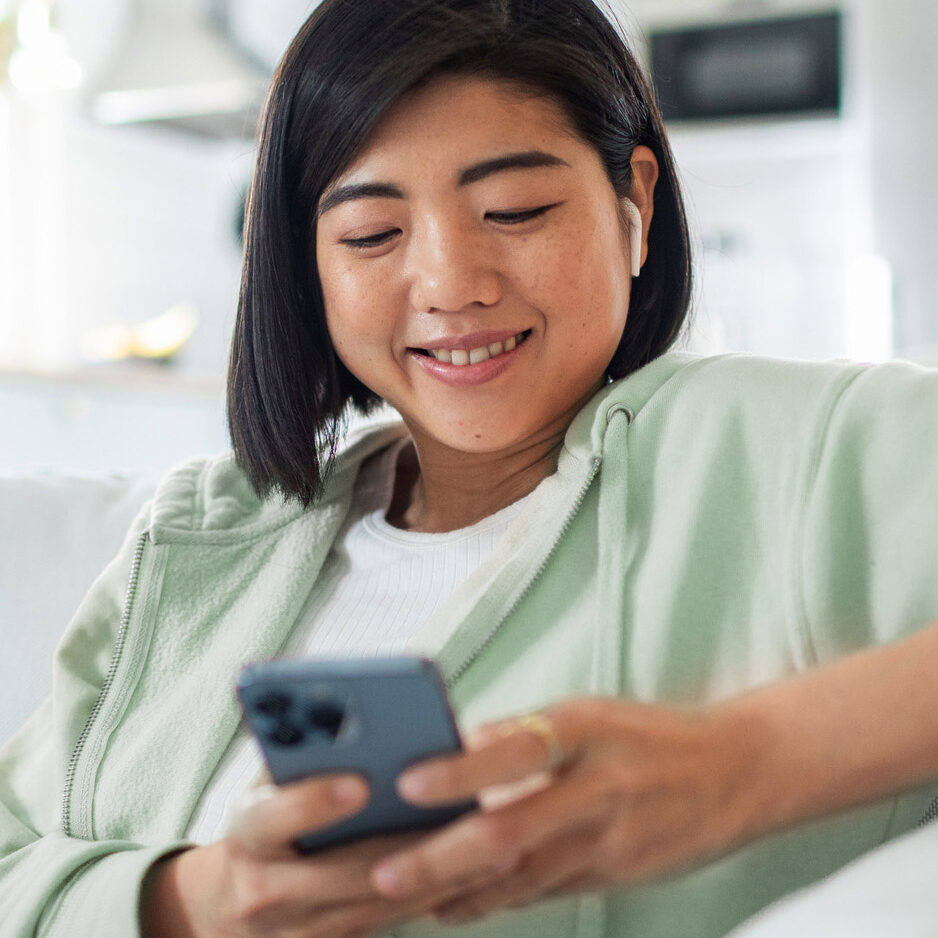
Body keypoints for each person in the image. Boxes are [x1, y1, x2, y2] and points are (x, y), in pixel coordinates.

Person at [1, 0, 937, 936]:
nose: (453, 283)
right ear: (306, 266)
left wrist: (743, 765)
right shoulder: (199, 539)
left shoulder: (800, 454)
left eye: (516, 210)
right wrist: (189, 902)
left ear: (636, 202)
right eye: (372, 233)